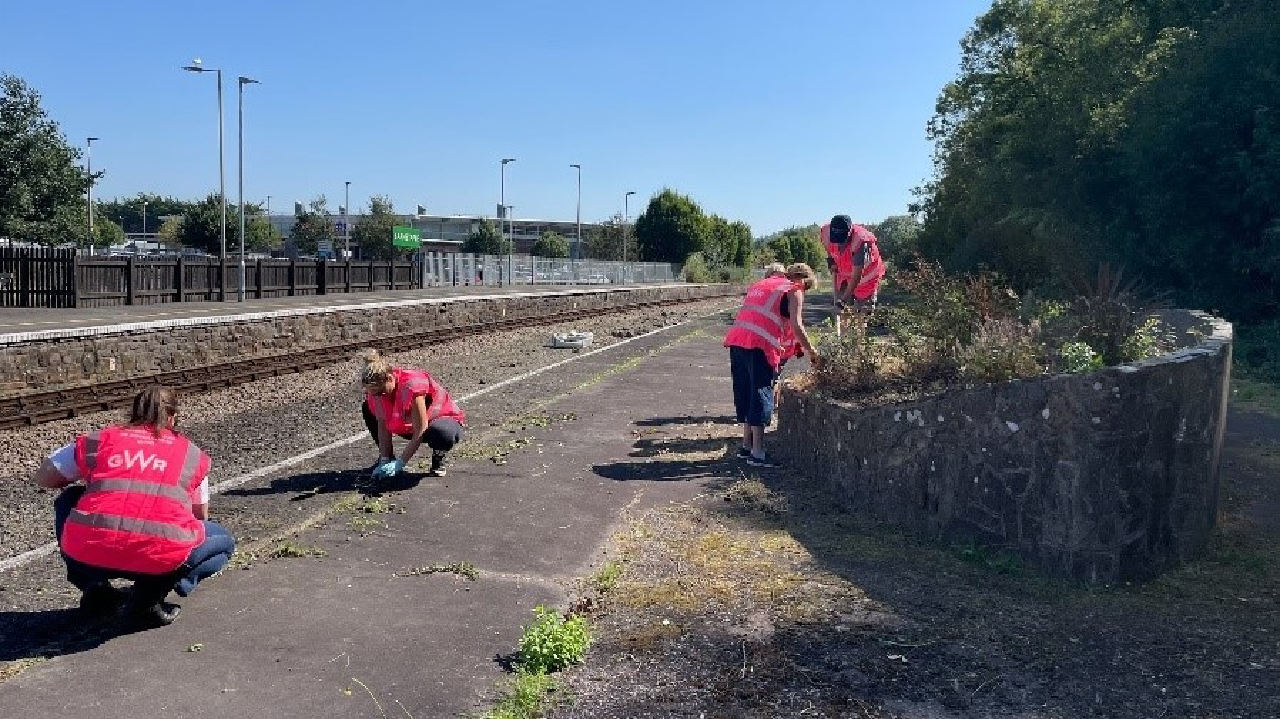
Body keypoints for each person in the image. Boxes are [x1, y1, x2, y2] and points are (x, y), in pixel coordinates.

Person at [31, 385, 235, 626]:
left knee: (70, 497)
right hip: (157, 559)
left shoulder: (100, 440)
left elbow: (44, 477)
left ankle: (95, 589)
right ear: (172, 417)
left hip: (89, 554)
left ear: (134, 412)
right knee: (222, 541)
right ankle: (149, 596)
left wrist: (100, 480)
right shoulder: (191, 455)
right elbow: (199, 516)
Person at [723, 263, 820, 468]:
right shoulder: (793, 290)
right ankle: (758, 453)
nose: (805, 292)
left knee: (746, 392)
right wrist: (812, 352)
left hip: (737, 339)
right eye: (807, 287)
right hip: (759, 345)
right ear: (802, 280)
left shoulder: (763, 284)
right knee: (761, 392)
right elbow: (797, 325)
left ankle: (746, 446)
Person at [359, 349, 466, 479]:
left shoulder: (411, 386)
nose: (379, 396)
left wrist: (400, 463)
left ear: (390, 378)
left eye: (381, 392)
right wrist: (385, 459)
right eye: (374, 394)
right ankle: (387, 457)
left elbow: (421, 429)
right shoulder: (376, 392)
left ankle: (439, 456)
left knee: (442, 434)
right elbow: (382, 424)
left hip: (438, 420)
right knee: (368, 408)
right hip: (409, 424)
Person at [820, 215, 886, 337]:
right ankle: (844, 344)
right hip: (843, 274)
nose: (839, 242)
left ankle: (858, 346)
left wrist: (842, 301)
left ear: (849, 232)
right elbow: (828, 247)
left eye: (842, 239)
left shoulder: (860, 241)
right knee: (844, 314)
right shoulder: (825, 232)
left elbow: (857, 274)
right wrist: (831, 260)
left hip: (866, 278)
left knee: (861, 314)